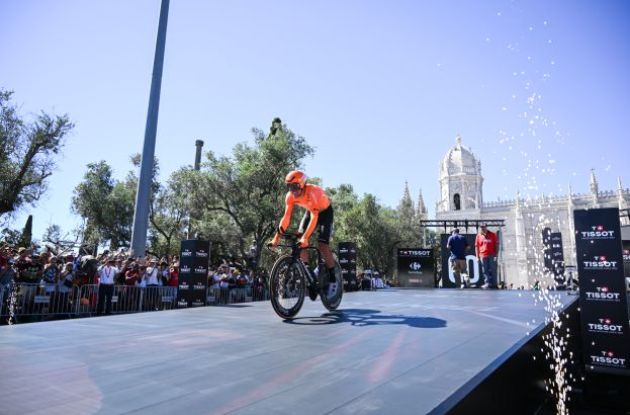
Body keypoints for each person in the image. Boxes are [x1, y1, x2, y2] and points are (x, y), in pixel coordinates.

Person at [270, 170, 338, 300]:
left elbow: (314, 217)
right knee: (299, 241)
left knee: (322, 244)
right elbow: (286, 218)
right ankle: (309, 274)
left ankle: (333, 279)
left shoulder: (312, 192)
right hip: (310, 211)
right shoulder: (290, 196)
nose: (292, 190)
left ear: (302, 184)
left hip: (324, 213)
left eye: (295, 186)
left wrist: (306, 238)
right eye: (289, 187)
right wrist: (276, 237)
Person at [475, 223, 499, 289]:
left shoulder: (493, 234)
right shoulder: (478, 236)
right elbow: (477, 247)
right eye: (481, 227)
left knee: (493, 269)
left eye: (483, 227)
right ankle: (487, 283)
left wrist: (496, 255)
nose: (482, 228)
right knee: (485, 270)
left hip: (492, 255)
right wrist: (477, 257)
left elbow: (496, 245)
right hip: (482, 255)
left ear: (486, 227)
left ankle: (495, 284)